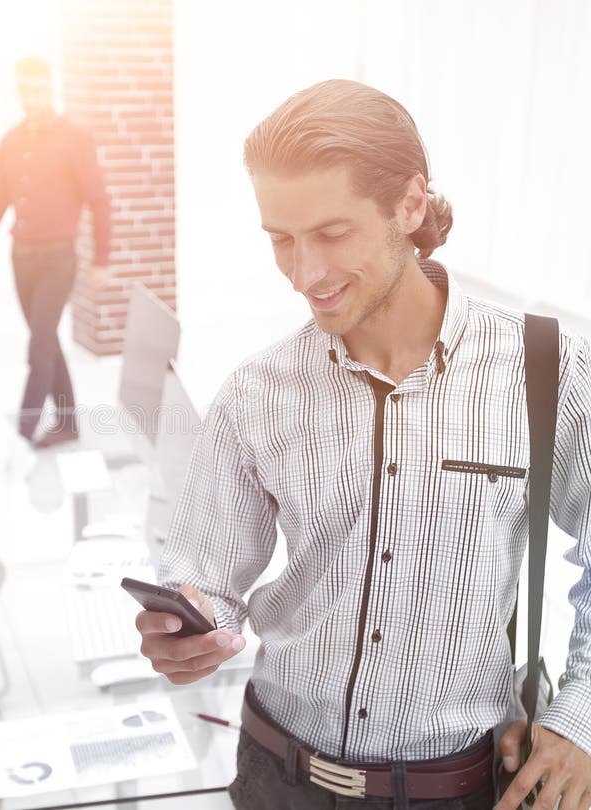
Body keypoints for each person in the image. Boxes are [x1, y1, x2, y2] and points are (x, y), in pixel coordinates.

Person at [135, 80, 591, 809]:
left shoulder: (547, 371)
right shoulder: (255, 393)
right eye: (281, 239)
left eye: (331, 233)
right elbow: (208, 577)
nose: (304, 274)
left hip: (459, 789)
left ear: (409, 205)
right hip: (276, 778)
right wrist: (193, 627)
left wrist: (579, 720)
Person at [0, 57, 111, 447]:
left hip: (58, 259)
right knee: (46, 339)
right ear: (19, 91)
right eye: (26, 89)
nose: (32, 97)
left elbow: (99, 199)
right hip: (21, 259)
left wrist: (102, 259)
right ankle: (68, 423)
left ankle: (22, 434)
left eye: (39, 89)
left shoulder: (74, 138)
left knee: (38, 346)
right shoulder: (10, 142)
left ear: (50, 88)